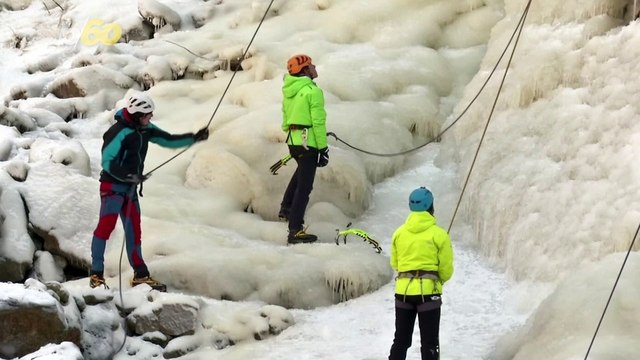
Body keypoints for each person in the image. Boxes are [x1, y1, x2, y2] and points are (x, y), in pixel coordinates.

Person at [89, 92, 209, 289]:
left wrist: (194, 139)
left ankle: (140, 275)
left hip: (129, 189)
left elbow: (168, 140)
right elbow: (107, 161)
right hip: (112, 188)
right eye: (147, 114)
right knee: (105, 228)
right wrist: (128, 177)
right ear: (137, 115)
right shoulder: (118, 132)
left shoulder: (145, 128)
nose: (151, 117)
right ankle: (96, 275)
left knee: (134, 231)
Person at [388, 187, 454, 360]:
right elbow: (446, 268)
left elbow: (395, 263)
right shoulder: (439, 234)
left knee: (401, 340)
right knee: (430, 343)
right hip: (428, 292)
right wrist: (438, 281)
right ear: (431, 206)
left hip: (403, 292)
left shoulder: (399, 233)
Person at [278, 54, 329, 244]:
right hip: (309, 142)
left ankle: (287, 208)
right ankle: (295, 230)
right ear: (305, 70)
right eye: (311, 64)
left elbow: (285, 118)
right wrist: (322, 148)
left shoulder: (289, 90)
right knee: (305, 186)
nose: (315, 66)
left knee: (301, 174)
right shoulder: (312, 91)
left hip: (294, 141)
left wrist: (294, 132)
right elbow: (318, 121)